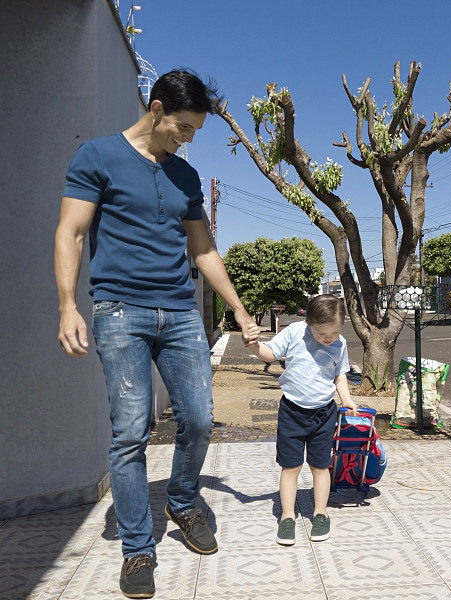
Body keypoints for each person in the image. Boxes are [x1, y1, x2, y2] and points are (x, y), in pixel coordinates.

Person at [54, 69, 257, 599]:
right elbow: (71, 231)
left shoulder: (185, 177)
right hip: (120, 311)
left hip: (181, 313)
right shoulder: (98, 156)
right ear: (157, 106)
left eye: (193, 131)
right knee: (130, 433)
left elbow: (205, 251)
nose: (186, 138)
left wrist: (237, 310)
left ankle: (184, 501)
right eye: (183, 127)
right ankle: (137, 549)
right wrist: (66, 306)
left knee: (197, 418)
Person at [245, 294, 358, 546]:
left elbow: (340, 375)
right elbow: (270, 353)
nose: (328, 338)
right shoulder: (295, 332)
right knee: (291, 466)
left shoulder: (339, 344)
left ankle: (320, 513)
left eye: (334, 332)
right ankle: (287, 517)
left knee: (320, 466)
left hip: (323, 413)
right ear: (308, 322)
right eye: (321, 333)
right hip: (292, 412)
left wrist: (346, 399)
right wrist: (254, 345)